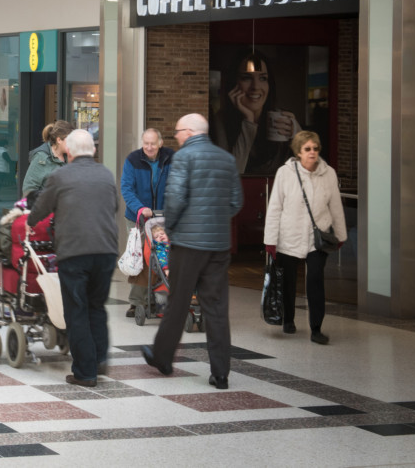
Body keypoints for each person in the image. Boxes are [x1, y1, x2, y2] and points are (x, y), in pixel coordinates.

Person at [142, 114, 243, 390]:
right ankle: (221, 373)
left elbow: (174, 199)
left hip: (188, 244)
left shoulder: (184, 158)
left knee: (178, 302)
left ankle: (162, 357)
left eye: (177, 132)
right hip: (219, 246)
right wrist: (216, 223)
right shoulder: (226, 159)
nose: (176, 136)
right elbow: (236, 202)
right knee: (217, 308)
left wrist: (171, 229)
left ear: (188, 132)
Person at [27, 129, 118, 387]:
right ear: (94, 150)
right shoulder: (106, 174)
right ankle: (99, 359)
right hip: (106, 251)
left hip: (75, 252)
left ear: (68, 151)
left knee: (77, 311)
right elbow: (113, 207)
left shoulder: (60, 176)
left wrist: (29, 222)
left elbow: (40, 208)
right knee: (96, 306)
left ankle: (85, 372)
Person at [263, 130, 347, 345]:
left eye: (315, 148)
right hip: (288, 235)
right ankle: (288, 319)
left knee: (315, 280)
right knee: (288, 280)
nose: (312, 153)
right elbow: (275, 207)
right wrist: (270, 240)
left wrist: (340, 234)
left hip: (317, 237)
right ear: (298, 152)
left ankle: (316, 327)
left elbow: (335, 206)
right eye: (307, 149)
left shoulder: (329, 173)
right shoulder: (285, 173)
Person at [212, 51, 299, 176]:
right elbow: (230, 176)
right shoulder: (221, 121)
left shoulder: (281, 118)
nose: (256, 86)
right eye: (246, 78)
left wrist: (297, 133)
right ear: (234, 84)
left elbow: (310, 171)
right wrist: (249, 121)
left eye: (263, 78)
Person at [120, 128, 174, 317]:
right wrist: (140, 208)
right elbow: (126, 188)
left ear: (160, 143)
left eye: (152, 143)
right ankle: (137, 302)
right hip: (138, 218)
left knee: (162, 255)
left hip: (163, 217)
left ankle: (158, 297)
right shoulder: (133, 160)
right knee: (141, 258)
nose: (149, 147)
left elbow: (176, 185)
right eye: (145, 143)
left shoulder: (170, 158)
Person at [22, 120, 72, 195]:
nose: (72, 143)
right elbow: (28, 189)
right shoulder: (41, 157)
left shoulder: (70, 155)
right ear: (59, 140)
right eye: (70, 140)